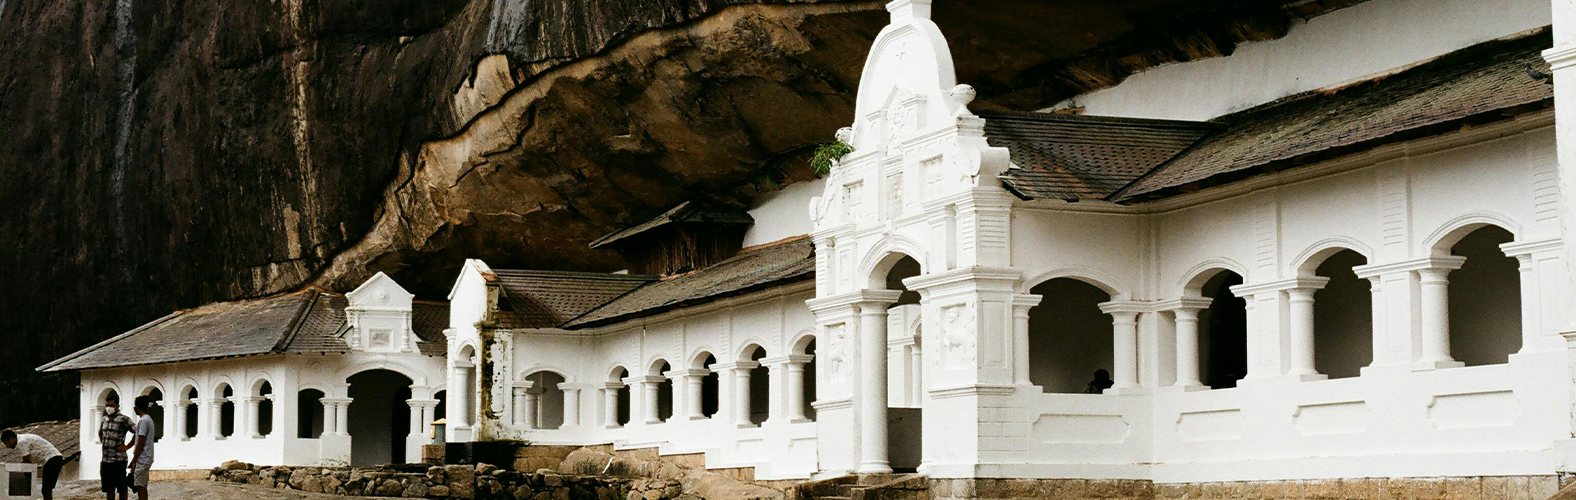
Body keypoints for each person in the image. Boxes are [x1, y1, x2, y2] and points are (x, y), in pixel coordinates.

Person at [2, 429, 65, 500]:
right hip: (54, 459)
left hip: (52, 459)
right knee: (46, 489)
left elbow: (27, 462)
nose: (7, 447)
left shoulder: (21, 442)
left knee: (46, 490)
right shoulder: (24, 438)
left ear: (11, 439)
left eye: (6, 443)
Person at [99, 393, 135, 500]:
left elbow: (137, 432)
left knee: (122, 489)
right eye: (107, 405)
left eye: (111, 405)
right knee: (109, 489)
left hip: (118, 460)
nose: (108, 408)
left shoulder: (124, 419)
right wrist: (105, 442)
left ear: (117, 406)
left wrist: (127, 446)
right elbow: (100, 432)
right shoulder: (104, 419)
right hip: (106, 460)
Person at [128, 396, 156, 500]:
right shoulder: (147, 420)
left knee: (140, 486)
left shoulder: (143, 421)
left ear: (137, 407)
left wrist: (135, 459)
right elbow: (136, 437)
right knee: (141, 484)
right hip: (145, 457)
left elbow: (140, 441)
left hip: (143, 458)